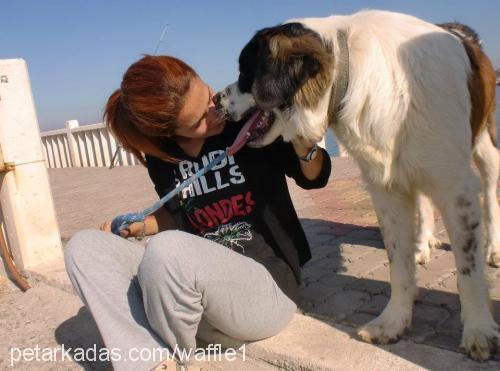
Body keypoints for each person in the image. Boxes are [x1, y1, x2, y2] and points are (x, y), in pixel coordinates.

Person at [64, 55, 331, 371]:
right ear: (169, 132)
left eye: (208, 95)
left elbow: (315, 177)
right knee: (85, 247)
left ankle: (169, 344)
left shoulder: (247, 125)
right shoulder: (163, 159)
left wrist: (304, 143)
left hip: (265, 290)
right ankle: (150, 360)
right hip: (196, 296)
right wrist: (142, 225)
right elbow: (182, 215)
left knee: (168, 250)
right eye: (197, 121)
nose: (215, 112)